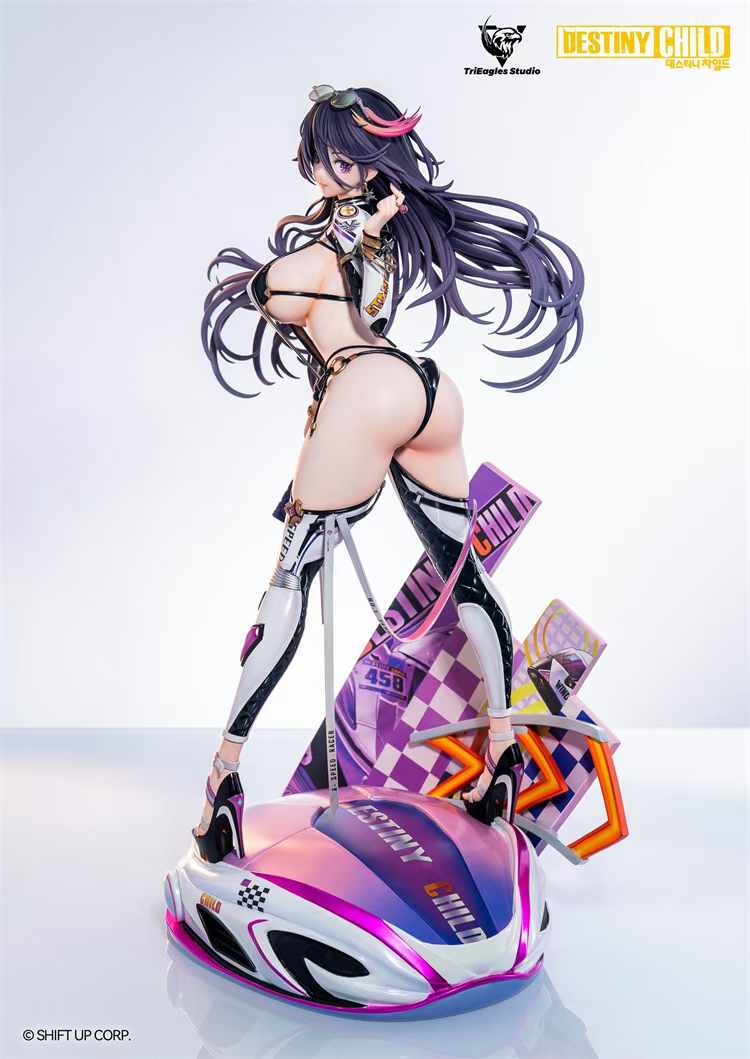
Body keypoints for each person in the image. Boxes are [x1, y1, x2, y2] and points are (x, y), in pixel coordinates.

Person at [194, 84, 584, 862]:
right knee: (464, 574)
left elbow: (274, 291)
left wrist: (346, 232)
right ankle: (502, 753)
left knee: (288, 586)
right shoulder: (374, 245)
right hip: (428, 393)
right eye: (322, 157)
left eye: (339, 158)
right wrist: (360, 228)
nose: (326, 171)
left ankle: (222, 780)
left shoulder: (336, 245)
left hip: (365, 387)